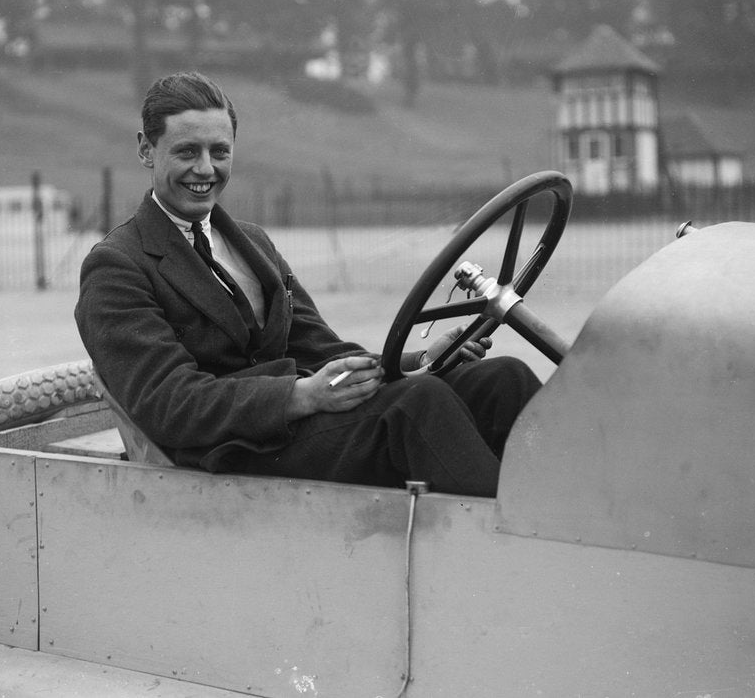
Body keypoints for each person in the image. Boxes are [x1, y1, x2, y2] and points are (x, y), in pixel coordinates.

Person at [75, 71, 541, 498]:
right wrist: (300, 396)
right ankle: (521, 545)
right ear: (145, 150)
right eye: (186, 152)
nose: (205, 170)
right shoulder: (117, 268)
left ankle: (568, 517)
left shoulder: (251, 242)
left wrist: (420, 359)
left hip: (296, 424)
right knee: (417, 405)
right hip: (230, 451)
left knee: (501, 379)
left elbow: (321, 350)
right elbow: (170, 405)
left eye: (219, 151)